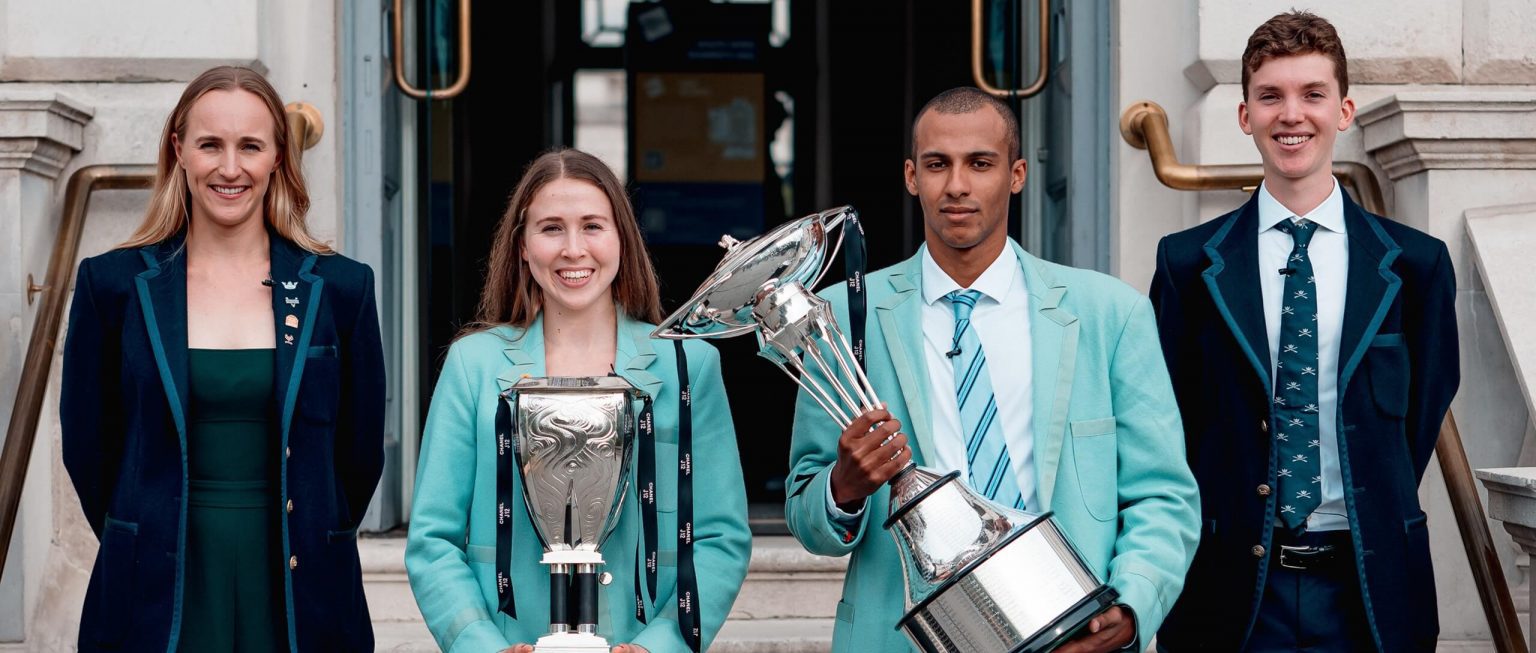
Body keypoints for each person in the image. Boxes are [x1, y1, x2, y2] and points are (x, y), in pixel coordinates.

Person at [782, 87, 1200, 653]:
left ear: (1017, 174)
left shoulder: (1110, 313)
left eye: (980, 163)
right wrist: (843, 488)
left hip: (1067, 627)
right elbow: (808, 518)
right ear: (911, 176)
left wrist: (1130, 606)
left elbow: (1162, 496)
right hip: (904, 635)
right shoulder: (842, 318)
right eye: (938, 164)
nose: (957, 185)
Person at [1150, 11, 1459, 652]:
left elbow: (1420, 417)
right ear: (1245, 116)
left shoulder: (1415, 265)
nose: (1292, 115)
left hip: (1369, 587)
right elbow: (1172, 420)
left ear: (1343, 111)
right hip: (1232, 589)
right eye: (1271, 96)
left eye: (1312, 94)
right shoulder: (1187, 265)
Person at [60, 66, 385, 652]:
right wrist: (143, 526)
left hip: (301, 584)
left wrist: (313, 525)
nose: (230, 168)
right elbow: (89, 447)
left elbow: (358, 454)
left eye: (250, 147)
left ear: (278, 157)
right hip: (155, 582)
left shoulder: (342, 288)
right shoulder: (112, 286)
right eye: (210, 144)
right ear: (179, 151)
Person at [406, 148, 751, 653]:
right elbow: (433, 540)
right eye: (551, 229)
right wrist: (480, 645)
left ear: (621, 239)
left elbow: (721, 538)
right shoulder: (472, 365)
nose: (573, 249)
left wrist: (661, 645)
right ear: (523, 246)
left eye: (592, 226)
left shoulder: (688, 366)